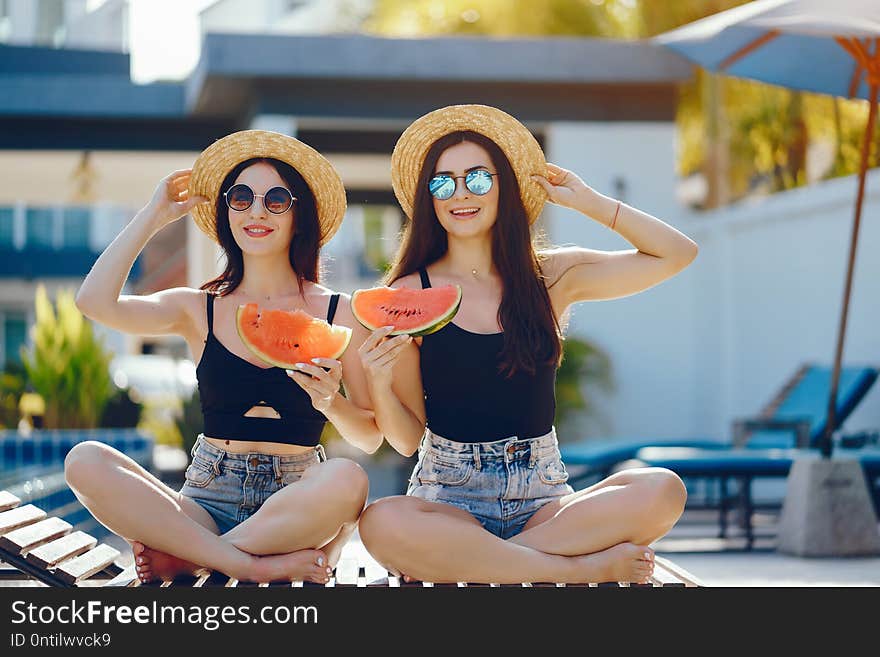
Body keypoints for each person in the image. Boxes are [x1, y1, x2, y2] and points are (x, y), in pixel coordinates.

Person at [357, 104, 697, 584]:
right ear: (428, 198)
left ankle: (473, 568)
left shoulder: (552, 275)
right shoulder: (408, 294)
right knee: (381, 521)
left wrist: (589, 202)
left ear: (505, 189)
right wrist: (378, 380)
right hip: (448, 501)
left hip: (544, 501)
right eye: (442, 182)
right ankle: (576, 571)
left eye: (477, 179)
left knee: (663, 489)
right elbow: (409, 437)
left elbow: (678, 253)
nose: (460, 194)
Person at [65, 130, 381, 585]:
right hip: (206, 499)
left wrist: (333, 402)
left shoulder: (339, 311)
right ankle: (243, 564)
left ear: (299, 216)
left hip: (295, 503)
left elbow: (369, 437)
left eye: (276, 199)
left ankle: (195, 557)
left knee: (350, 478)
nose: (256, 211)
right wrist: (153, 216)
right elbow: (93, 302)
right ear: (226, 211)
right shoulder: (200, 308)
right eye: (240, 197)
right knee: (84, 460)